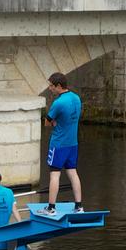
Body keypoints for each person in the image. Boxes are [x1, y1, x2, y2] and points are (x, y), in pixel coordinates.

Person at [42, 72, 83, 215]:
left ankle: (51, 208)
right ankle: (79, 206)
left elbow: (47, 122)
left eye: (51, 86)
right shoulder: (76, 98)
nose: (50, 88)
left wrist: (54, 122)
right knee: (73, 172)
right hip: (73, 143)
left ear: (59, 86)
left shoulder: (58, 103)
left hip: (58, 144)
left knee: (55, 174)